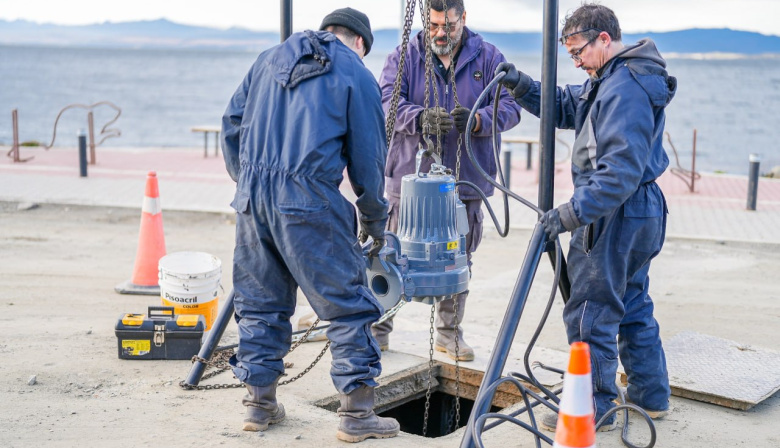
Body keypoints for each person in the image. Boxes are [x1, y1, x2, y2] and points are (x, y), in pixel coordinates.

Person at [221, 7, 399, 443]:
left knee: (260, 302)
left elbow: (231, 125)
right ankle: (357, 415)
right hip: (308, 201)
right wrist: (375, 219)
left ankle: (259, 405)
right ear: (360, 42)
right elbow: (369, 159)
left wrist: (247, 180)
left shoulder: (268, 59)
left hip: (252, 200)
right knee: (348, 305)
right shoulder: (355, 72)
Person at [496, 2, 675, 432]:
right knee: (631, 304)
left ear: (605, 40)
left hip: (615, 213)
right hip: (641, 211)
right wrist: (523, 87)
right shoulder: (613, 79)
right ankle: (651, 398)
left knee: (591, 311)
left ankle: (592, 407)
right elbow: (567, 104)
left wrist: (571, 214)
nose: (574, 61)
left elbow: (619, 172)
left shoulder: (624, 88)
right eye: (570, 53)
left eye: (578, 52)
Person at [377, 0, 522, 361]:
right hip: (410, 179)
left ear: (463, 20)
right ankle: (378, 328)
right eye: (435, 26)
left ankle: (448, 333)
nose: (441, 34)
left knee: (459, 256)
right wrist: (420, 117)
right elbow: (384, 103)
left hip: (466, 180)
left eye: (450, 26)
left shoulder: (488, 58)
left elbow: (511, 107)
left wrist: (476, 121)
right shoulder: (403, 57)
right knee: (392, 251)